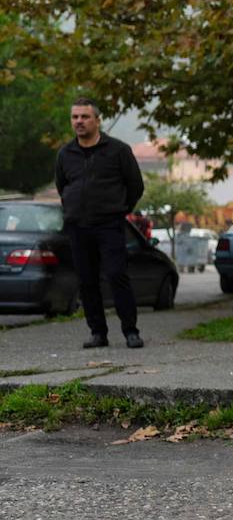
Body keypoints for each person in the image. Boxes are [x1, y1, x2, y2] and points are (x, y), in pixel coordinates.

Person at [54, 98, 145, 349]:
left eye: (84, 117)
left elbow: (135, 186)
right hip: (78, 226)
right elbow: (62, 186)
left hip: (109, 224)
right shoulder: (66, 154)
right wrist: (73, 207)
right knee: (87, 280)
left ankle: (130, 331)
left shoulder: (118, 150)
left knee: (117, 275)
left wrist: (119, 210)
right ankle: (98, 333)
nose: (79, 122)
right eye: (75, 117)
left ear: (97, 120)